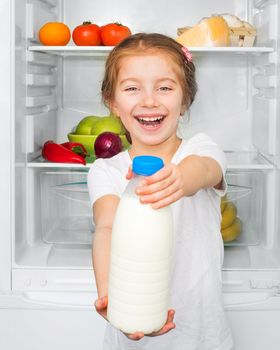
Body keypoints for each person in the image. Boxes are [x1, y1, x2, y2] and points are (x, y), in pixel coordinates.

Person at [87, 32, 233, 350]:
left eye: (165, 87)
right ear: (113, 102)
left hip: (202, 336)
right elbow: (107, 227)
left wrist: (180, 178)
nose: (150, 100)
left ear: (185, 101)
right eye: (132, 88)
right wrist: (108, 296)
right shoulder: (107, 171)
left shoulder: (199, 150)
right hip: (129, 327)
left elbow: (206, 169)